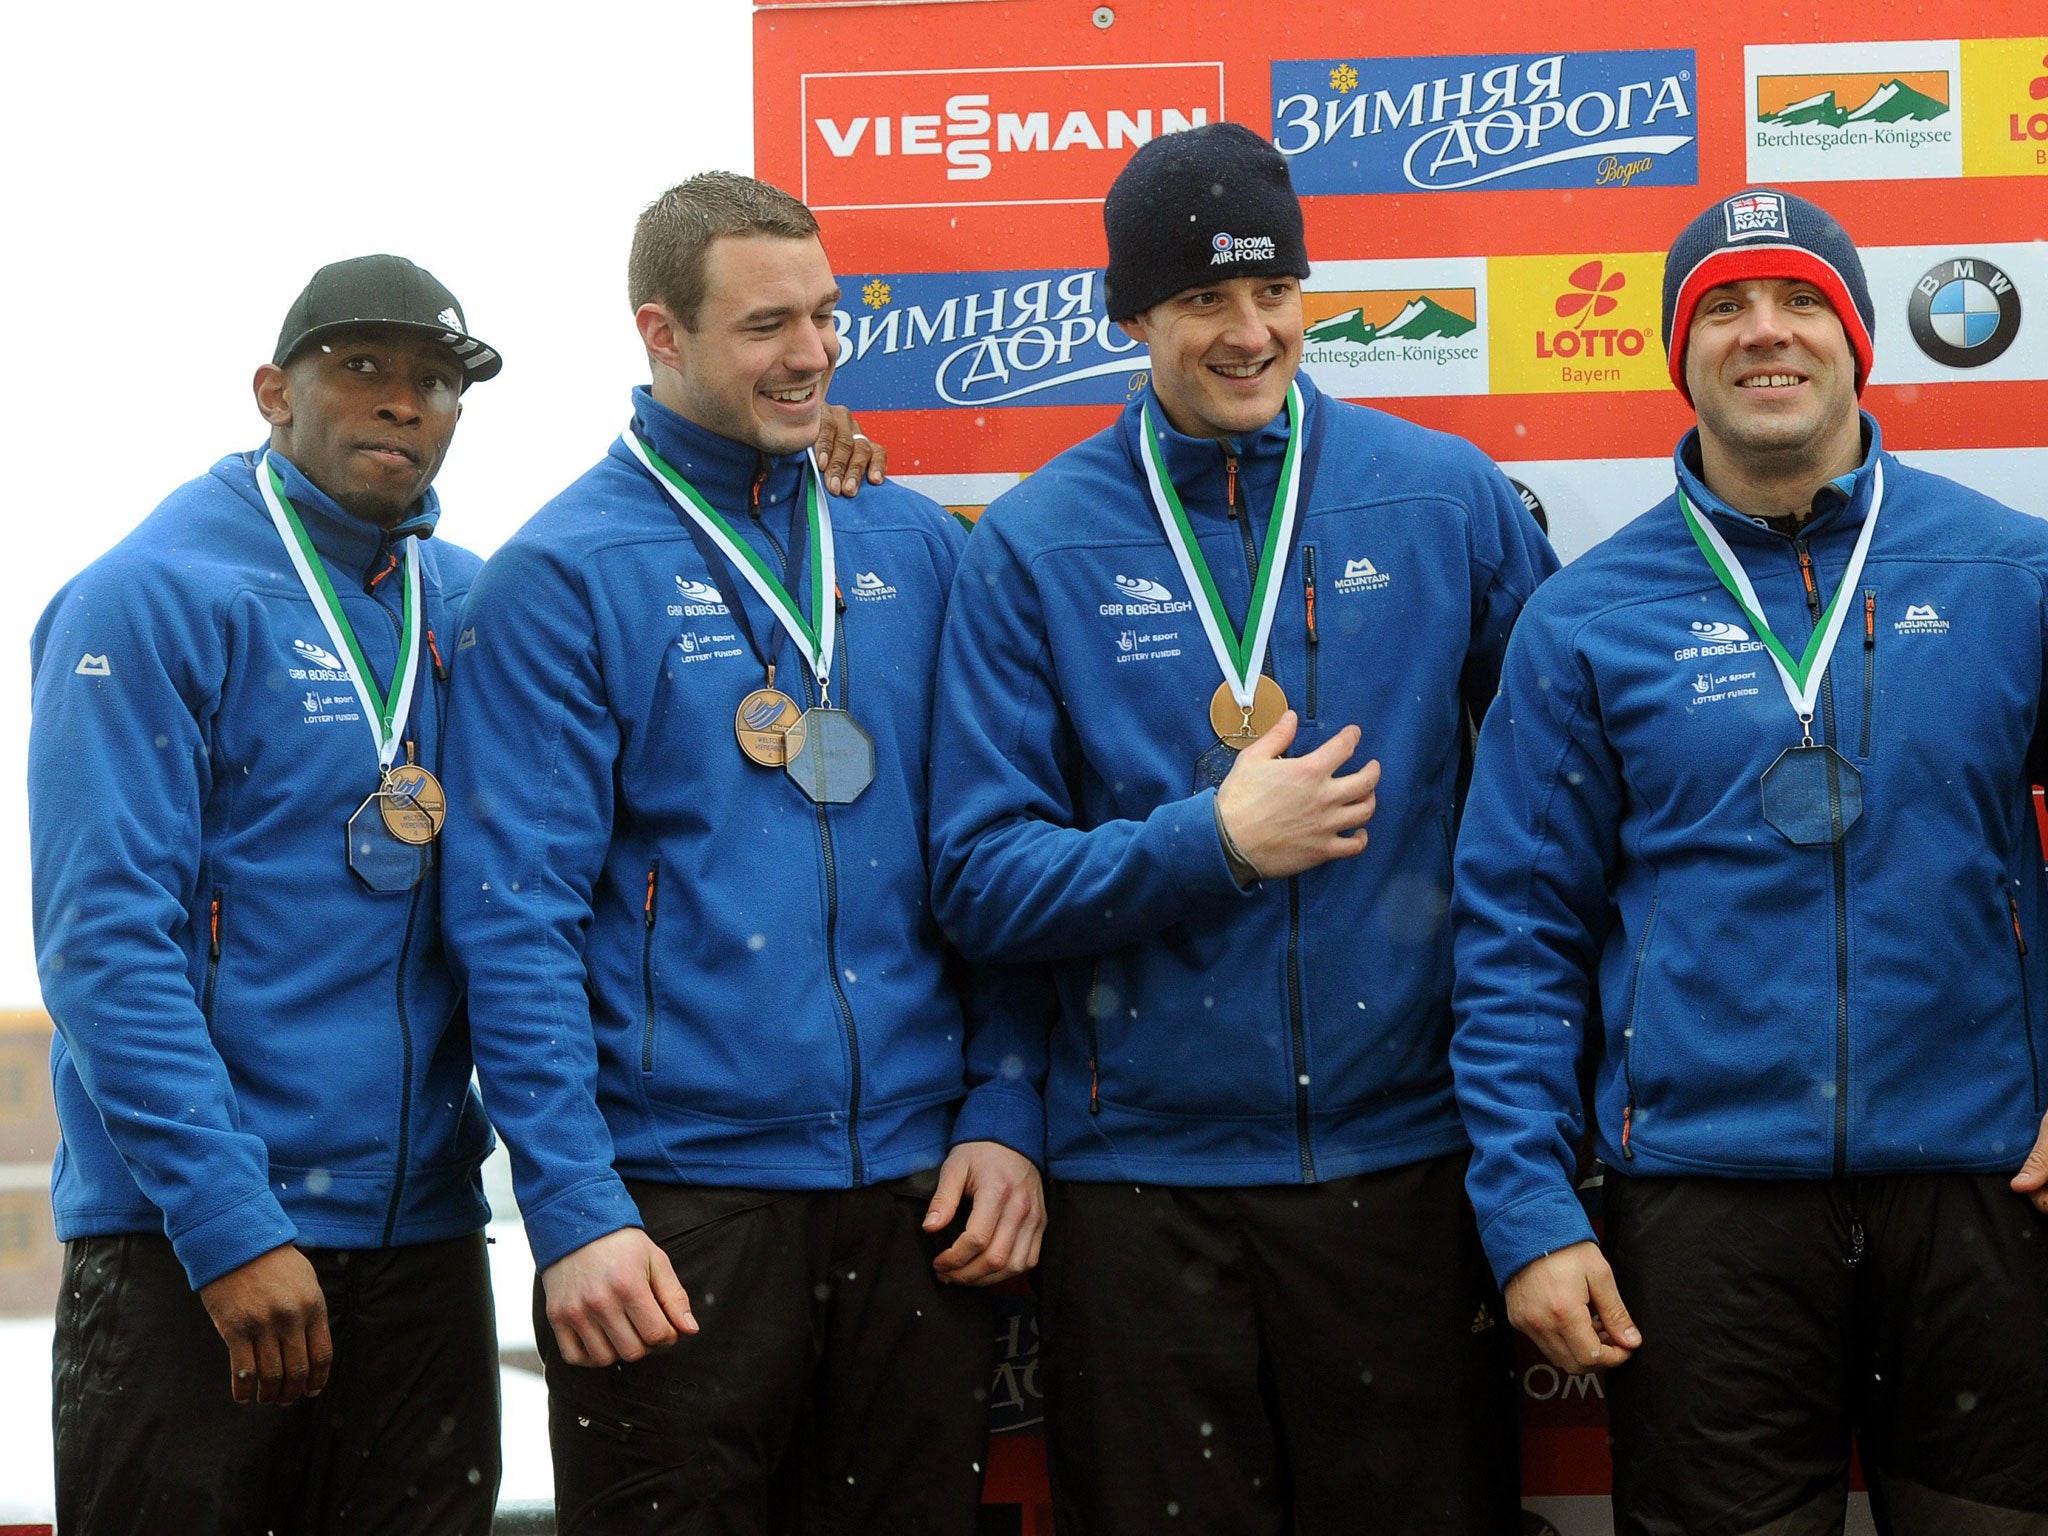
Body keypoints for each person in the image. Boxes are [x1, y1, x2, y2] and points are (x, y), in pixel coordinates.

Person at [926, 122, 1554, 1535]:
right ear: (1131, 313)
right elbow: (977, 879)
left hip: (1403, 1167)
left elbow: (1559, 814)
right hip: (1140, 1188)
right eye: (1204, 298)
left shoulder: (1443, 496)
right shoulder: (1035, 539)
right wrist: (1208, 842)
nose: (1249, 330)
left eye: (1274, 289)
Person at [440, 171, 1045, 1536]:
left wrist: (1005, 1110)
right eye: (770, 326)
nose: (816, 354)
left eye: (828, 318)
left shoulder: (911, 541)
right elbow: (514, 919)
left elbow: (992, 858)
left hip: (915, 1198)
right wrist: (577, 1208)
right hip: (676, 1209)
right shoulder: (565, 574)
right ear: (661, 335)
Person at [1452, 186, 2048, 1534]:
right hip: (1705, 1210)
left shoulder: (2011, 571)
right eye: (1722, 307)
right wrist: (1531, 1212)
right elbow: (1516, 939)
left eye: (1799, 302)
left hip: (1980, 1193)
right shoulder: (1584, 620)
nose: (1763, 333)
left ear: (1855, 340)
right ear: (1681, 352)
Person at [29, 255, 504, 1532]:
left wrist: (819, 459)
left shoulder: (469, 601)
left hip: (422, 1241)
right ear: (270, 392)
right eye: (361, 370)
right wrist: (229, 1224)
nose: (402, 404)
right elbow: (102, 947)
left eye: (435, 383)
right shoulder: (148, 595)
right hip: (193, 1247)